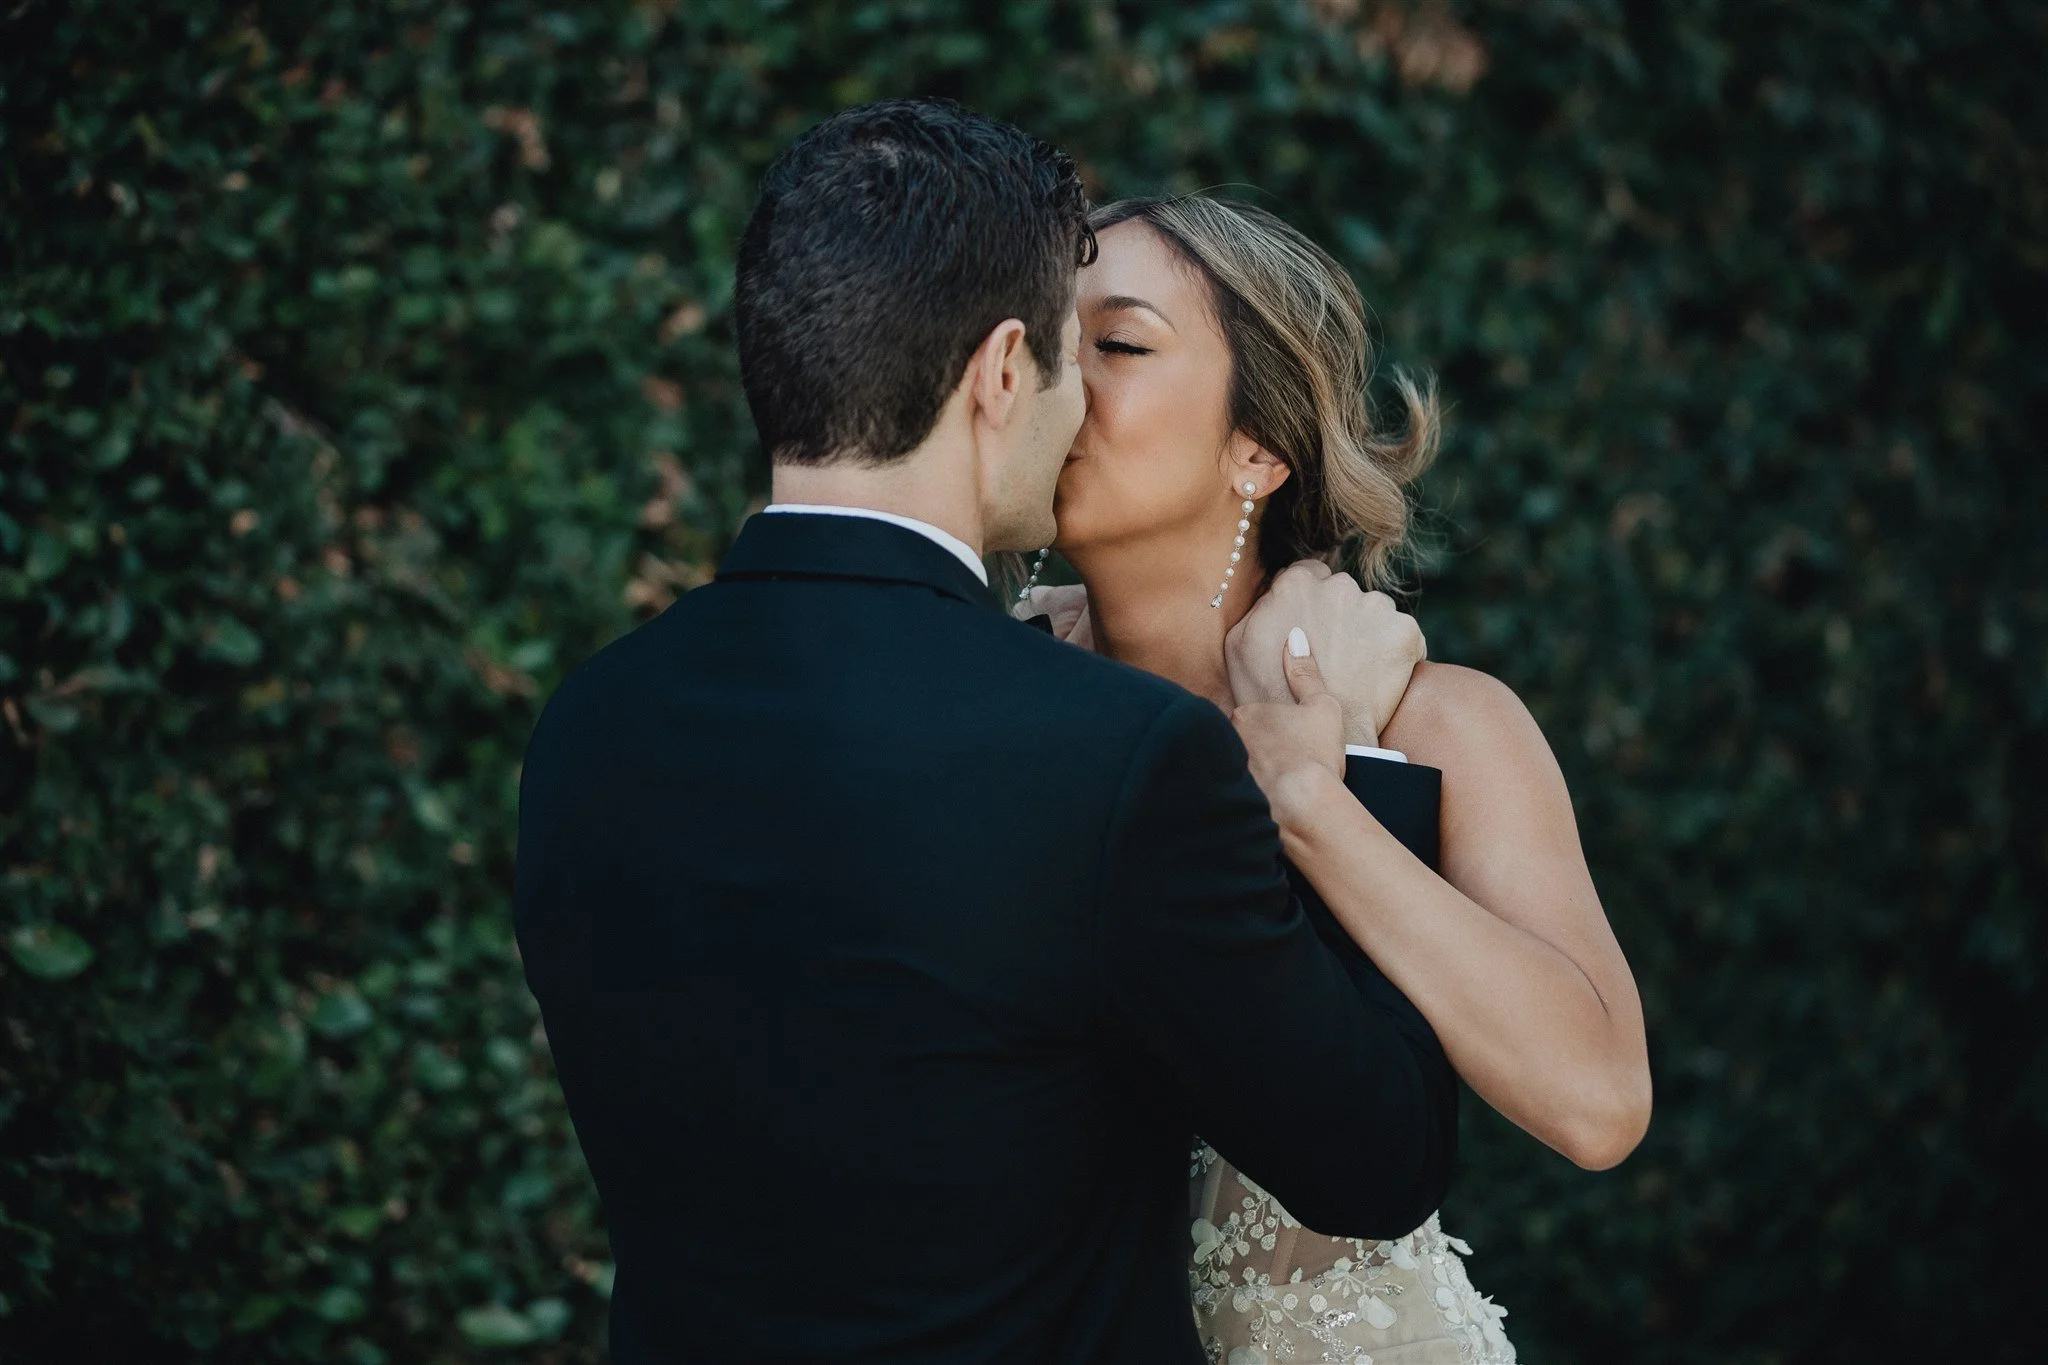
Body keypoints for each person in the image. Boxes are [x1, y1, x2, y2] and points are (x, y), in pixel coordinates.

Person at [514, 99, 1459, 1363]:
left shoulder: (590, 723)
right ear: (1003, 373)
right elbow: (1371, 1160)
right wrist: (1353, 760)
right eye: (1079, 357)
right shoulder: (1111, 759)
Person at [1018, 194, 1654, 1362]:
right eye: (1045, 340)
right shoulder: (990, 684)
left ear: (1255, 448)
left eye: (1116, 344)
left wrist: (1318, 796)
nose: (1061, 383)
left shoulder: (1438, 725)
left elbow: (1596, 1104)